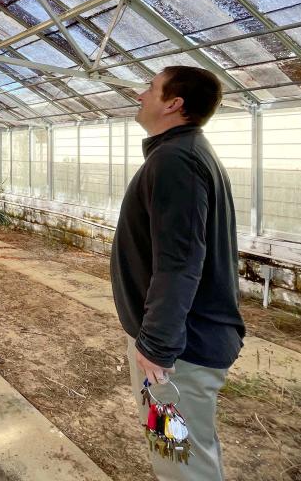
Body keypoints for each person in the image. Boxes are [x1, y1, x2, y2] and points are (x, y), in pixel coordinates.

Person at [111, 66, 245, 480]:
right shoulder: (183, 153)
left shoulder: (176, 161)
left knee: (178, 456)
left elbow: (180, 261)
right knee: (187, 451)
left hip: (175, 355)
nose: (140, 95)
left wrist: (157, 344)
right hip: (179, 347)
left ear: (174, 104)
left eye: (150, 88)